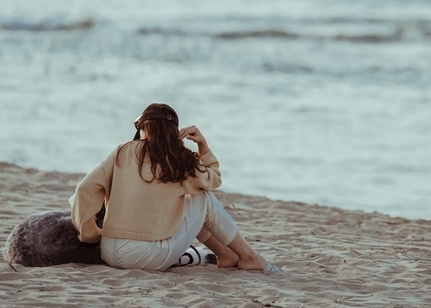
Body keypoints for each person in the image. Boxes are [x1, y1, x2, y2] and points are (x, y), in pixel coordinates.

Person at [71, 102, 280, 273]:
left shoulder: (122, 151)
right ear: (175, 132)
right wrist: (203, 146)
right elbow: (213, 179)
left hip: (108, 250)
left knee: (187, 205)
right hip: (146, 257)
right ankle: (249, 257)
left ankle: (225, 254)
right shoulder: (178, 159)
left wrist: (91, 233)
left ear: (144, 128)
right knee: (202, 199)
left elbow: (84, 190)